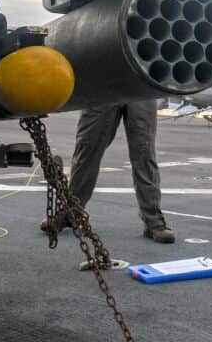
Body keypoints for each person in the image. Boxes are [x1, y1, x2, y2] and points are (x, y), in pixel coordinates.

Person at [49, 99, 175, 244]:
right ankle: (70, 213)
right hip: (103, 87)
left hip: (140, 88)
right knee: (87, 150)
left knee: (144, 153)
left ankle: (154, 221)